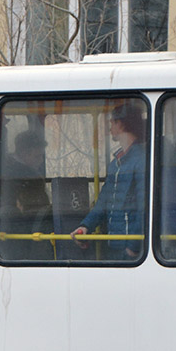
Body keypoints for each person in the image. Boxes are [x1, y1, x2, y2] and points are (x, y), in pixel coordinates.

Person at [70, 104, 147, 259]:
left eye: (112, 122)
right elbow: (104, 201)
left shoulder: (141, 160)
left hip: (132, 251)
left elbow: (145, 207)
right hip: (115, 245)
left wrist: (134, 247)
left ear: (121, 124)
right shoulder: (116, 163)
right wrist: (85, 226)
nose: (109, 127)